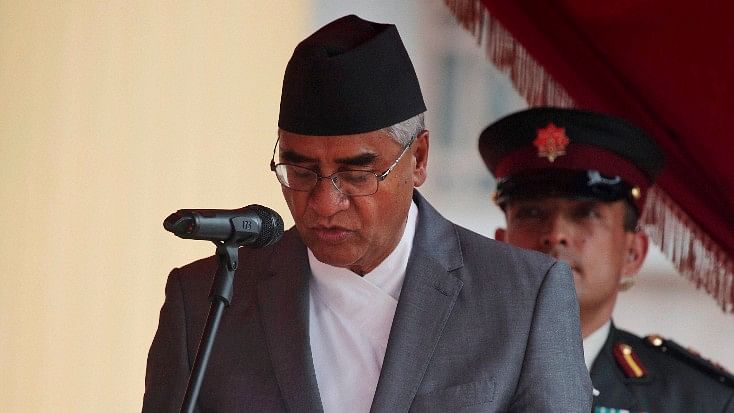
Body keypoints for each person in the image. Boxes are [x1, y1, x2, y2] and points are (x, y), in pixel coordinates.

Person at [143, 16, 592, 412]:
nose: (324, 203)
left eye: (356, 175)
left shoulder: (522, 297)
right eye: (300, 172)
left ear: (418, 159)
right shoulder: (206, 300)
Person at [478, 107, 734, 412]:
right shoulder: (440, 371)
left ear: (632, 253)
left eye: (586, 214)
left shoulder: (699, 402)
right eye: (532, 213)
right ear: (501, 246)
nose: (556, 234)